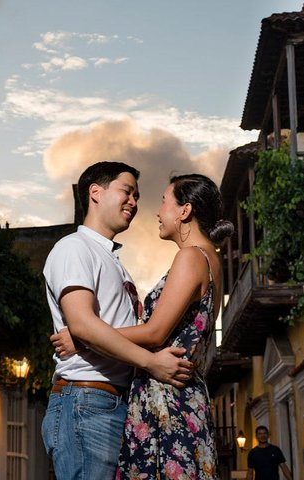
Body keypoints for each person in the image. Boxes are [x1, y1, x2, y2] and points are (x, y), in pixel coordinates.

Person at [53, 173, 234, 479]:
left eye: (164, 202)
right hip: (185, 395)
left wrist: (81, 339)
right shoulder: (212, 260)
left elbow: (155, 332)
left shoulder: (190, 257)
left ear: (184, 211)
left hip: (167, 398)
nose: (158, 211)